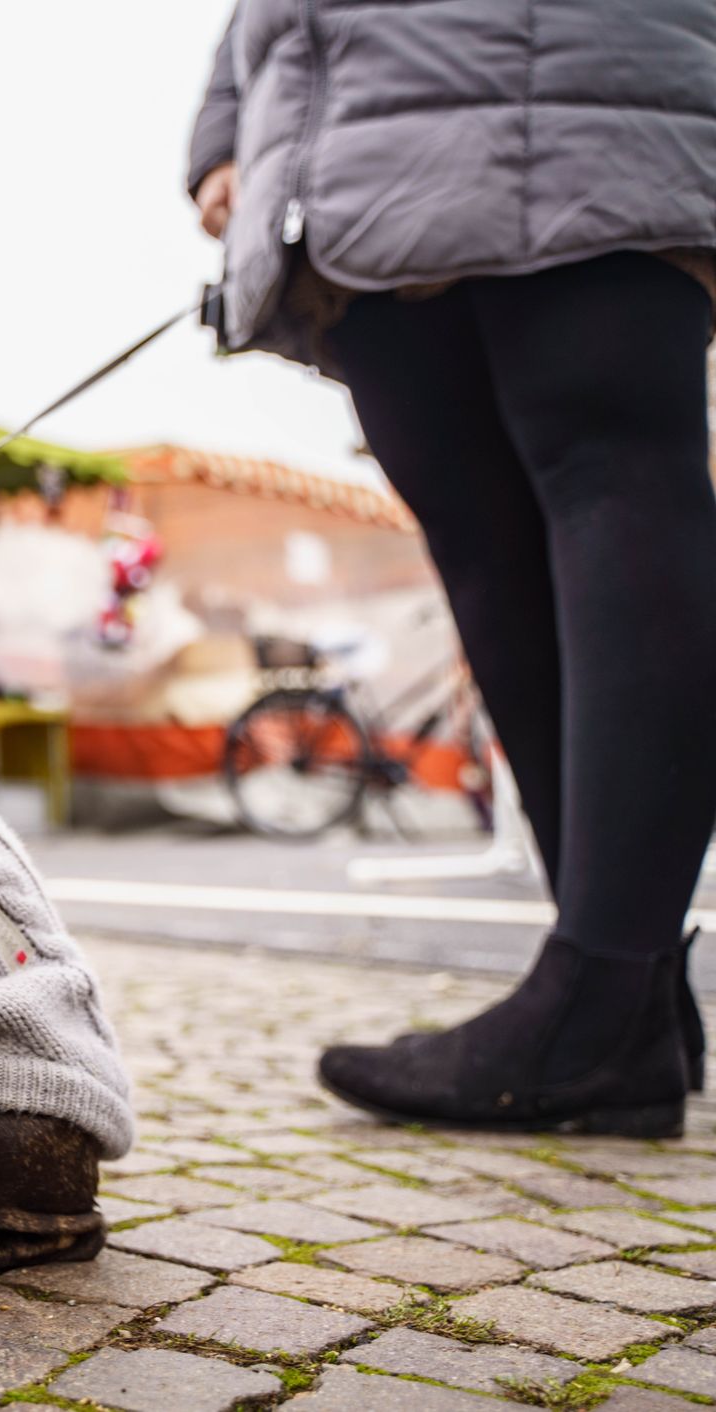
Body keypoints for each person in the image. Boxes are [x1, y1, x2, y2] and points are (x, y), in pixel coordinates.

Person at [189, 2, 716, 1135]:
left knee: (610, 481)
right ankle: (619, 997)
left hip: (581, 85)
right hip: (349, 156)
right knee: (483, 548)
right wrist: (226, 134)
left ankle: (603, 980)